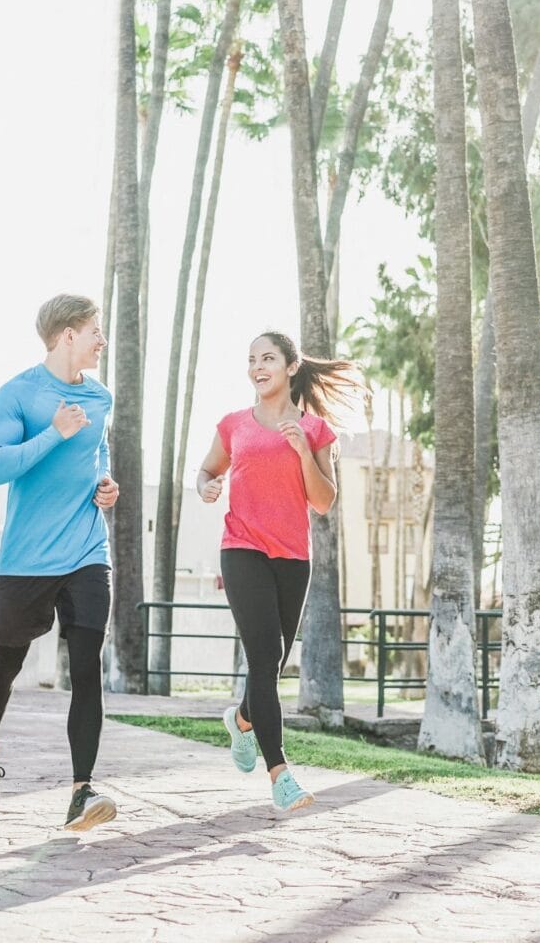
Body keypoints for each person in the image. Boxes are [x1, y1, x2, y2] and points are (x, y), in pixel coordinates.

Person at [0, 293, 120, 832]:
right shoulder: (20, 393)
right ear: (66, 336)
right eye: (94, 330)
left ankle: (82, 791)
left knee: (86, 670)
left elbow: (97, 458)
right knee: (6, 663)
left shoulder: (100, 397)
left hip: (85, 550)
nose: (102, 339)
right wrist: (54, 433)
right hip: (28, 559)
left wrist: (106, 487)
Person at [197, 331, 360, 812]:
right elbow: (206, 470)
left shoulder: (315, 430)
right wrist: (206, 486)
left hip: (292, 556)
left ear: (291, 367)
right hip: (242, 548)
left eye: (267, 358)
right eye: (251, 359)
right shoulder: (233, 425)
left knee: (274, 660)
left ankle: (243, 720)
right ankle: (280, 774)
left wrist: (303, 453)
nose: (257, 366)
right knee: (264, 656)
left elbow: (324, 501)